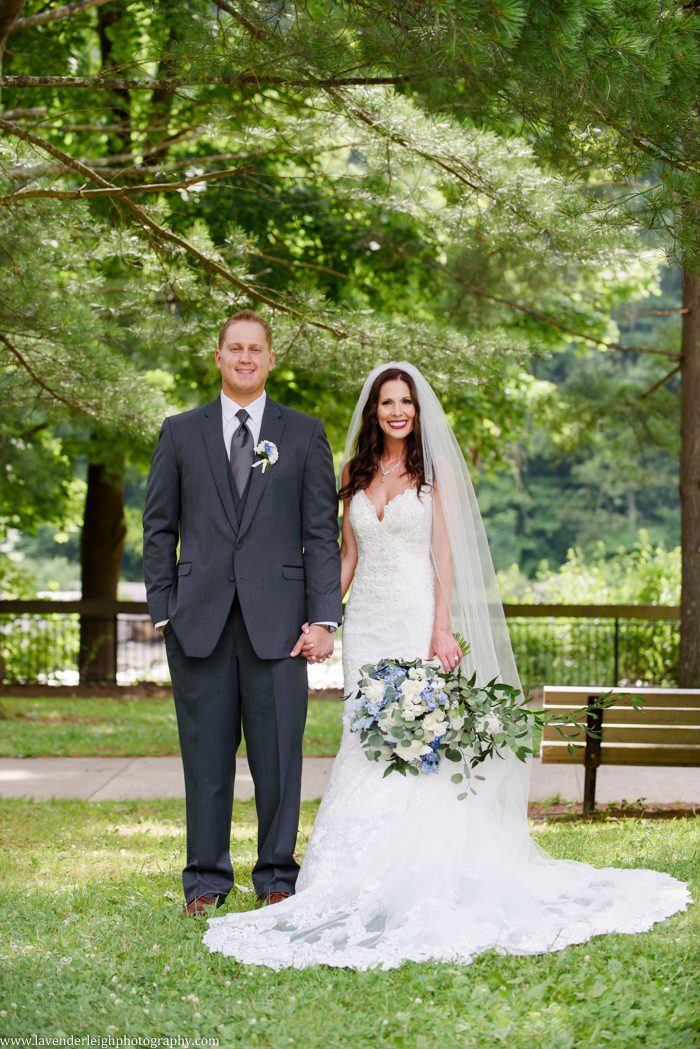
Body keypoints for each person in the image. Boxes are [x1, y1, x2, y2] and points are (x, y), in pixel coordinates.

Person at [203, 362, 690, 968]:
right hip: (369, 630)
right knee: (365, 742)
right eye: (387, 402)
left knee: (416, 745)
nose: (398, 411)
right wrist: (324, 620)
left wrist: (440, 630)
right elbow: (345, 556)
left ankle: (422, 871)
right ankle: (352, 874)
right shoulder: (354, 476)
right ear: (374, 411)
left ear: (417, 409)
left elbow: (444, 558)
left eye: (406, 401)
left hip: (412, 622)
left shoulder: (431, 478)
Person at [142, 310, 342, 915]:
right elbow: (158, 526)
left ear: (271, 359)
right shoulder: (180, 433)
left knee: (279, 759)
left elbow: (320, 534)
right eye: (235, 348)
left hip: (280, 627)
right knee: (205, 760)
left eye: (256, 349)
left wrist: (323, 618)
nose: (246, 358)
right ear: (219, 356)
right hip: (197, 622)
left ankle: (278, 876)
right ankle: (205, 880)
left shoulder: (303, 435)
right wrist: (164, 610)